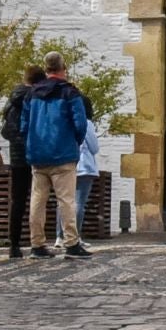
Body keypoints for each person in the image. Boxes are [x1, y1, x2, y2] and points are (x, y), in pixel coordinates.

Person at [25, 52, 93, 259]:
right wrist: (76, 141)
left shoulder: (32, 94)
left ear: (46, 69)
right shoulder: (70, 92)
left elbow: (24, 124)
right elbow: (80, 123)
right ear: (64, 68)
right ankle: (71, 242)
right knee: (66, 200)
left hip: (38, 153)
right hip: (63, 152)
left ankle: (37, 243)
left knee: (38, 199)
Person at [2, 66, 45, 259]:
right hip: (34, 153)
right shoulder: (35, 98)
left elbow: (6, 130)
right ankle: (37, 242)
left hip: (16, 155)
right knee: (38, 198)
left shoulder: (12, 100)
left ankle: (14, 244)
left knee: (17, 200)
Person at [65, 97, 103, 246]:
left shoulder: (66, 121)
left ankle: (60, 236)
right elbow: (94, 148)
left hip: (67, 163)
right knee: (79, 203)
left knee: (64, 202)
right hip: (84, 166)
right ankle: (75, 236)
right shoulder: (87, 123)